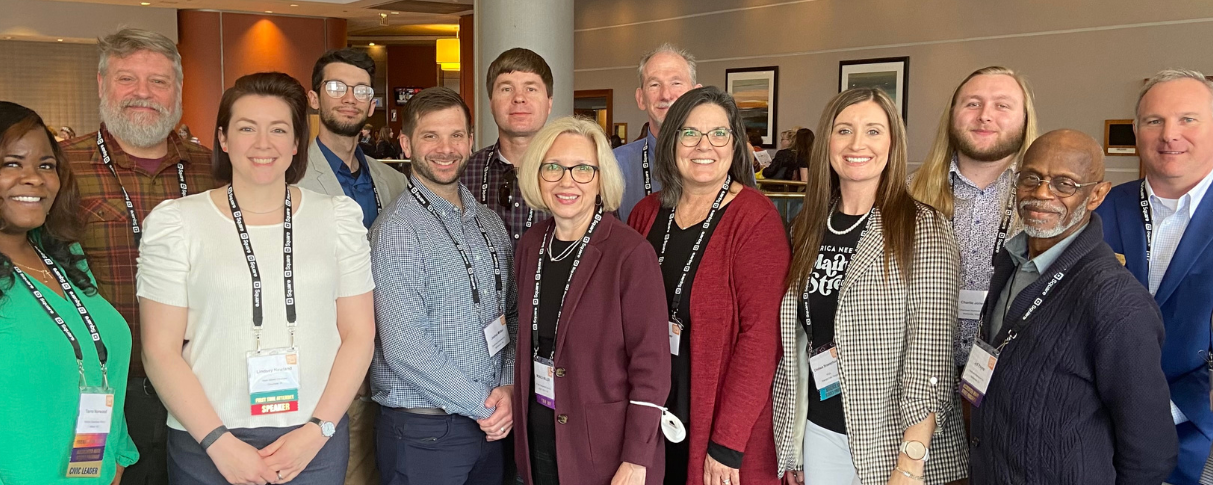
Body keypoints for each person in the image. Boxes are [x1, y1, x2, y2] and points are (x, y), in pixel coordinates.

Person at [138, 72, 376, 485]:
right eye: (247, 128)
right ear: (224, 139)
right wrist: (218, 443)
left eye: (278, 129)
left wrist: (317, 431)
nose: (263, 144)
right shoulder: (177, 223)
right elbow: (159, 350)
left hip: (314, 440)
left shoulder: (337, 218)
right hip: (208, 443)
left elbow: (358, 335)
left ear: (296, 142)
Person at [772, 88, 968, 485]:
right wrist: (793, 443)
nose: (857, 144)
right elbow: (800, 340)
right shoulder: (807, 227)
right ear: (826, 140)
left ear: (892, 143)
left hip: (892, 444)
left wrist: (910, 463)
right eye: (844, 130)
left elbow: (930, 358)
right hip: (821, 430)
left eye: (873, 131)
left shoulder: (923, 229)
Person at [964, 129, 1177, 483]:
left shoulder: (1117, 303)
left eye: (1065, 184)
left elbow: (1151, 448)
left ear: (1096, 195)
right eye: (1031, 177)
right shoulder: (1011, 263)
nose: (1042, 193)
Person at [59, 27, 215, 485]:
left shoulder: (213, 169)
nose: (143, 93)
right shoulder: (62, 167)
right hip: (103, 387)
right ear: (102, 84)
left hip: (203, 382)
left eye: (159, 81)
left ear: (179, 91)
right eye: (127, 79)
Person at [628, 86, 789, 485]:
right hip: (652, 410)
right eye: (690, 133)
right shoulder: (645, 214)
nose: (705, 146)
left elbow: (763, 338)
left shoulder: (754, 219)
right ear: (671, 141)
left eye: (719, 133)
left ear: (735, 145)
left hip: (717, 419)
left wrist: (727, 442)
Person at [370, 87, 518, 485]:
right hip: (425, 433)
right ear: (406, 143)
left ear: (471, 140)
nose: (445, 148)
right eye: (430, 136)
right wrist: (484, 406)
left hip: (490, 425)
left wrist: (506, 384)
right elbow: (404, 348)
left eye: (456, 135)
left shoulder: (488, 221)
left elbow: (513, 313)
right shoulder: (397, 231)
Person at [512, 116, 670, 485]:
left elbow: (652, 366)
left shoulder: (630, 253)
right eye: (553, 167)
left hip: (606, 448)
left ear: (601, 179)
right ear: (538, 175)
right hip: (539, 433)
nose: (567, 181)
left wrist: (636, 458)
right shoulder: (532, 244)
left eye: (583, 169)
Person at [0, 102, 139, 484]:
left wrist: (115, 457)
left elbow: (99, 361)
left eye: (46, 165)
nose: (35, 179)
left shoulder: (64, 256)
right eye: (12, 163)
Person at [297, 47, 410, 485]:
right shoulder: (291, 177)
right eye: (337, 86)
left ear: (372, 103)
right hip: (322, 360)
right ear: (313, 98)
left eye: (361, 89)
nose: (349, 97)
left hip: (389, 362)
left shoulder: (392, 180)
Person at [1096, 69, 1213, 484]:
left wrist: (1150, 413)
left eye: (1188, 119)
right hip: (1095, 439)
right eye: (1154, 121)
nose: (1169, 135)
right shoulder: (1098, 209)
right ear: (1136, 131)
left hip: (1197, 443)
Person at [907, 66, 1038, 371]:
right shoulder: (905, 195)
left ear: (1025, 118)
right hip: (919, 382)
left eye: (1002, 105)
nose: (985, 115)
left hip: (1009, 383)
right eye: (972, 103)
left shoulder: (1047, 205)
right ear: (952, 115)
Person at [461, 47, 555, 243]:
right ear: (491, 103)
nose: (519, 98)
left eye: (531, 89)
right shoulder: (463, 174)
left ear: (549, 103)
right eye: (506, 89)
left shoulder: (577, 176)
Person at [615, 43, 702, 222]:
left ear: (696, 94)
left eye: (676, 83)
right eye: (654, 85)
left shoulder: (724, 160)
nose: (666, 94)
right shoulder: (615, 164)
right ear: (641, 99)